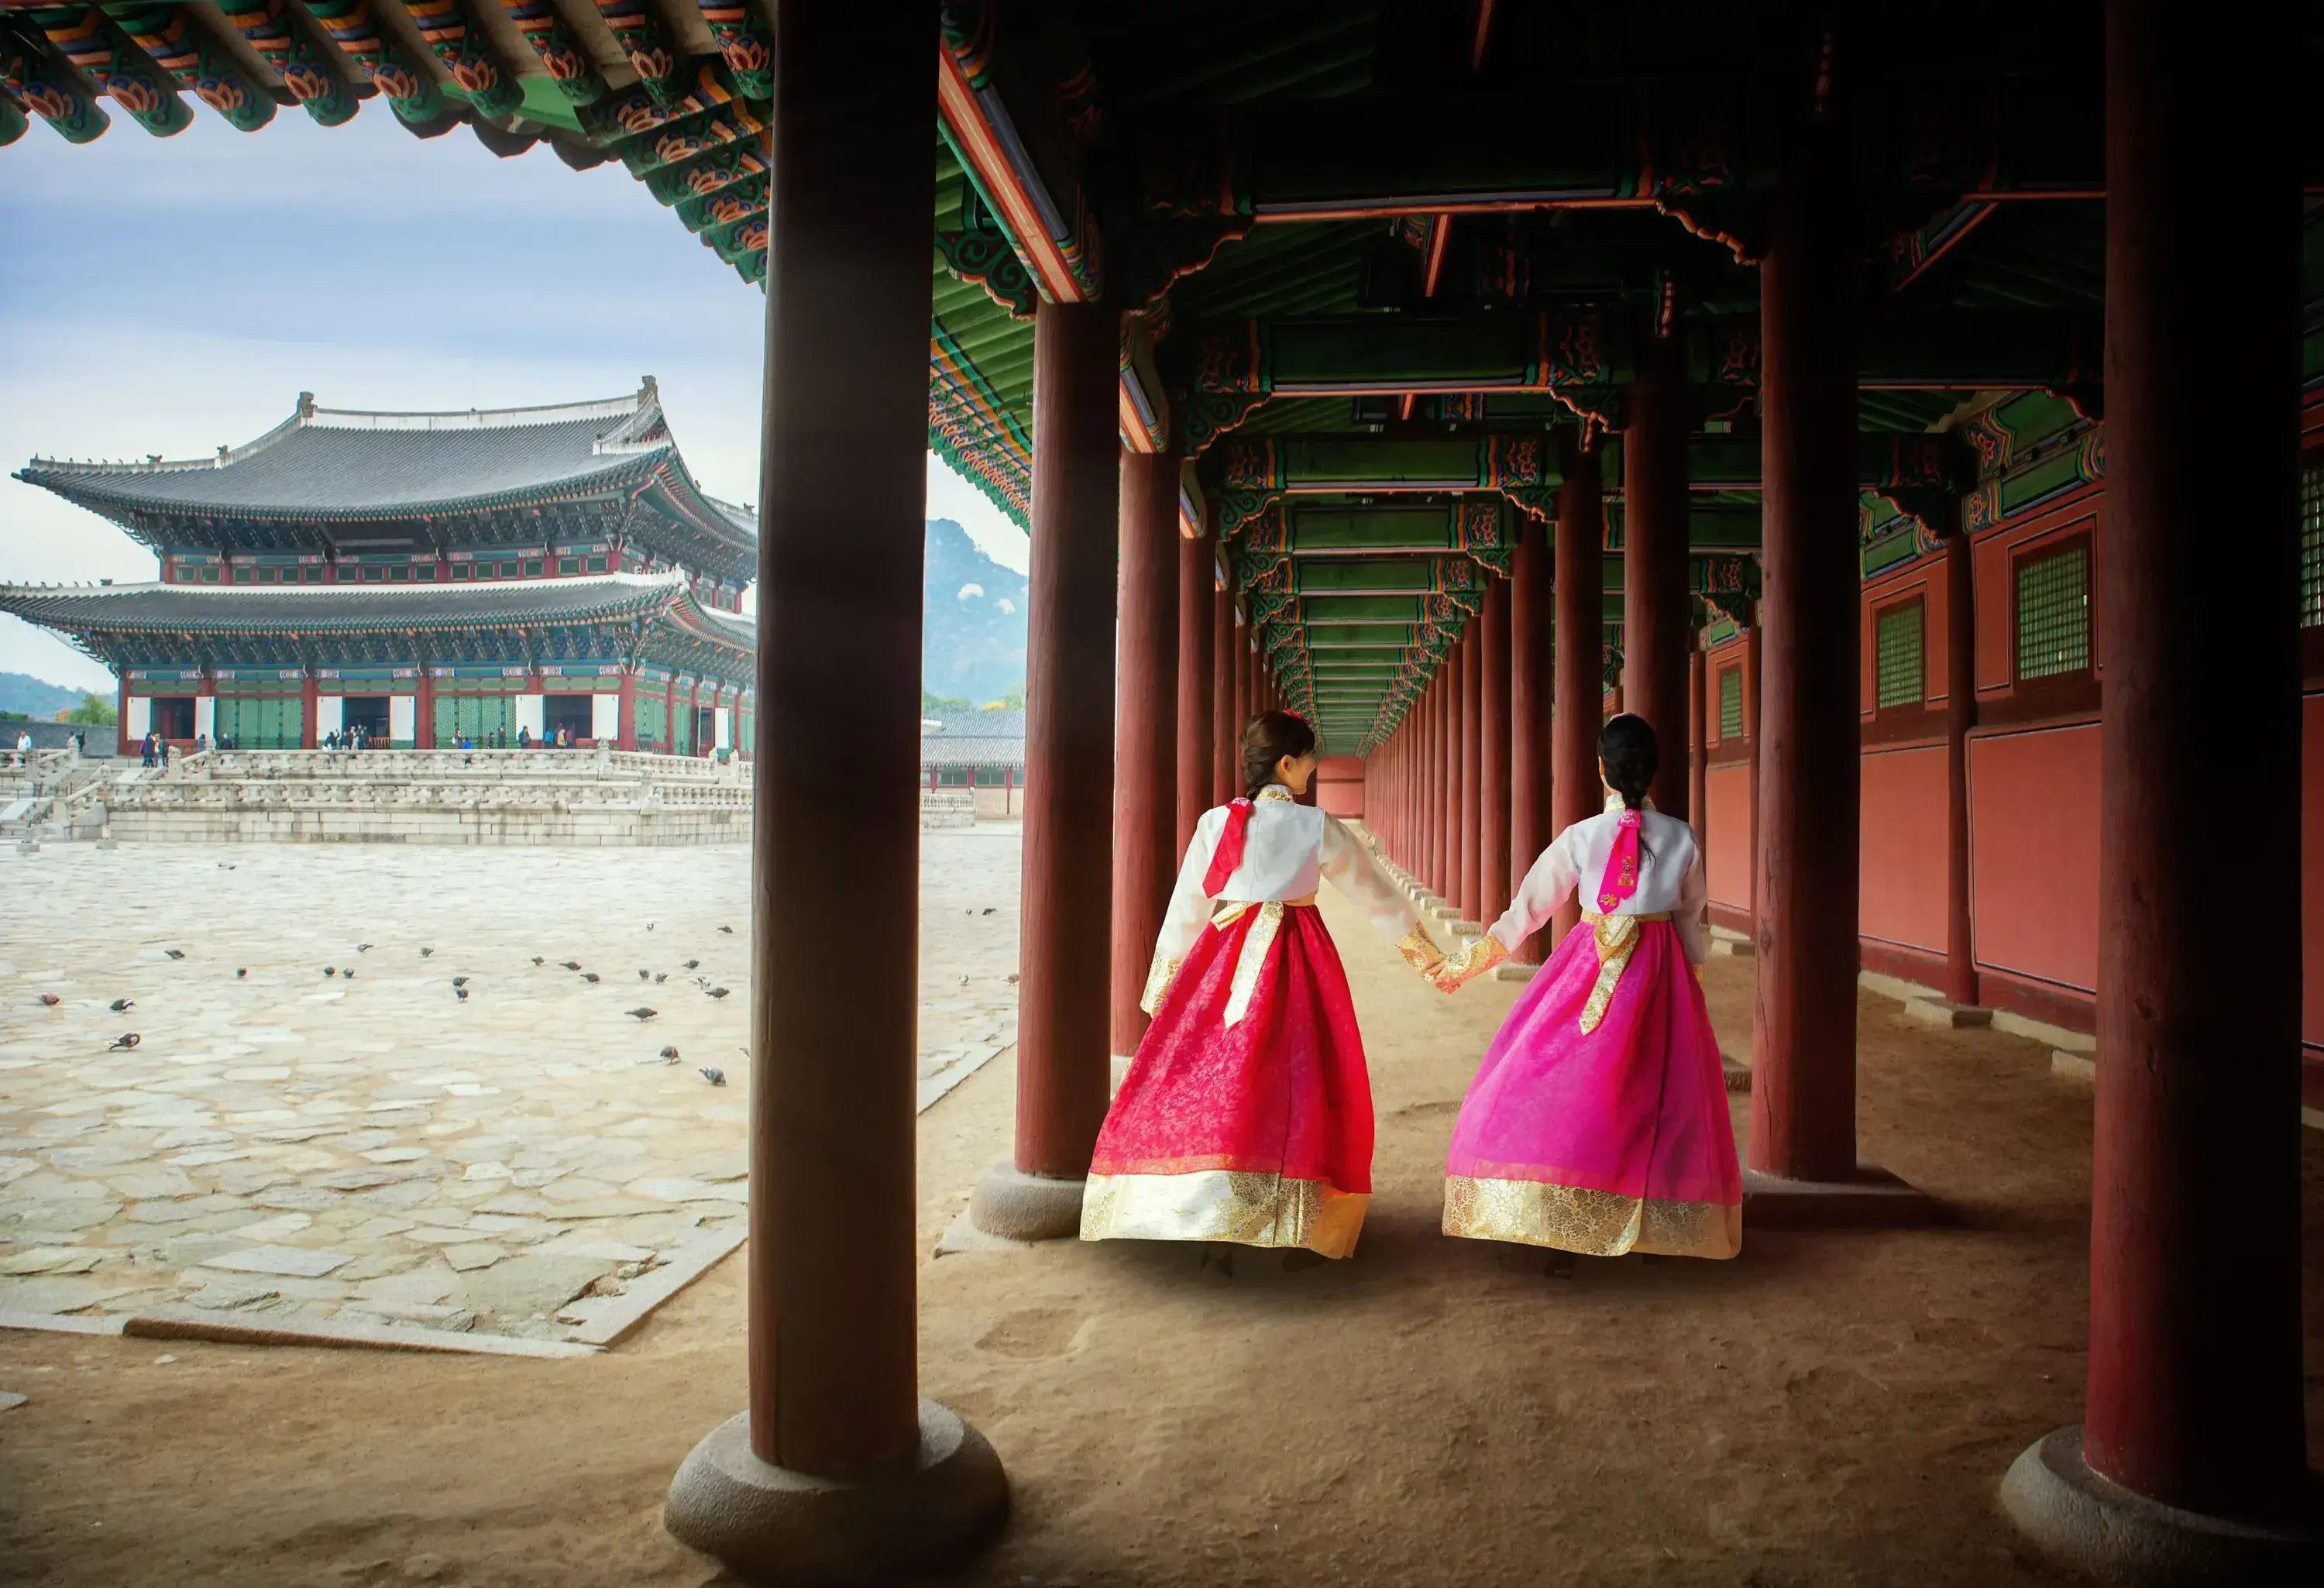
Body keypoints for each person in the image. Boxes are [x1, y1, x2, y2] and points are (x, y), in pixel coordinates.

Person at [1080, 710, 1446, 1262]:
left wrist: (1164, 986)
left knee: (1219, 1078)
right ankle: (1302, 1219)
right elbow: (1374, 894)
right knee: (1303, 1077)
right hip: (1299, 957)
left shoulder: (1215, 823)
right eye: (1308, 757)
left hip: (1222, 957)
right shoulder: (1315, 825)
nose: (1315, 767)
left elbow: (1188, 907)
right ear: (1287, 764)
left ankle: (1212, 1213)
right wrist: (1428, 957)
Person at [1428, 713, 1741, 1267]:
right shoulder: (1681, 836)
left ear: (1601, 769)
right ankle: (1660, 1229)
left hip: (1591, 964)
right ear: (1654, 770)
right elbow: (1691, 915)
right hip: (1659, 967)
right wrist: (1691, 967)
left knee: (1575, 1086)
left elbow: (1530, 908)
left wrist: (1472, 960)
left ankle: (1564, 1223)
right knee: (1664, 1093)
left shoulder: (1580, 837)